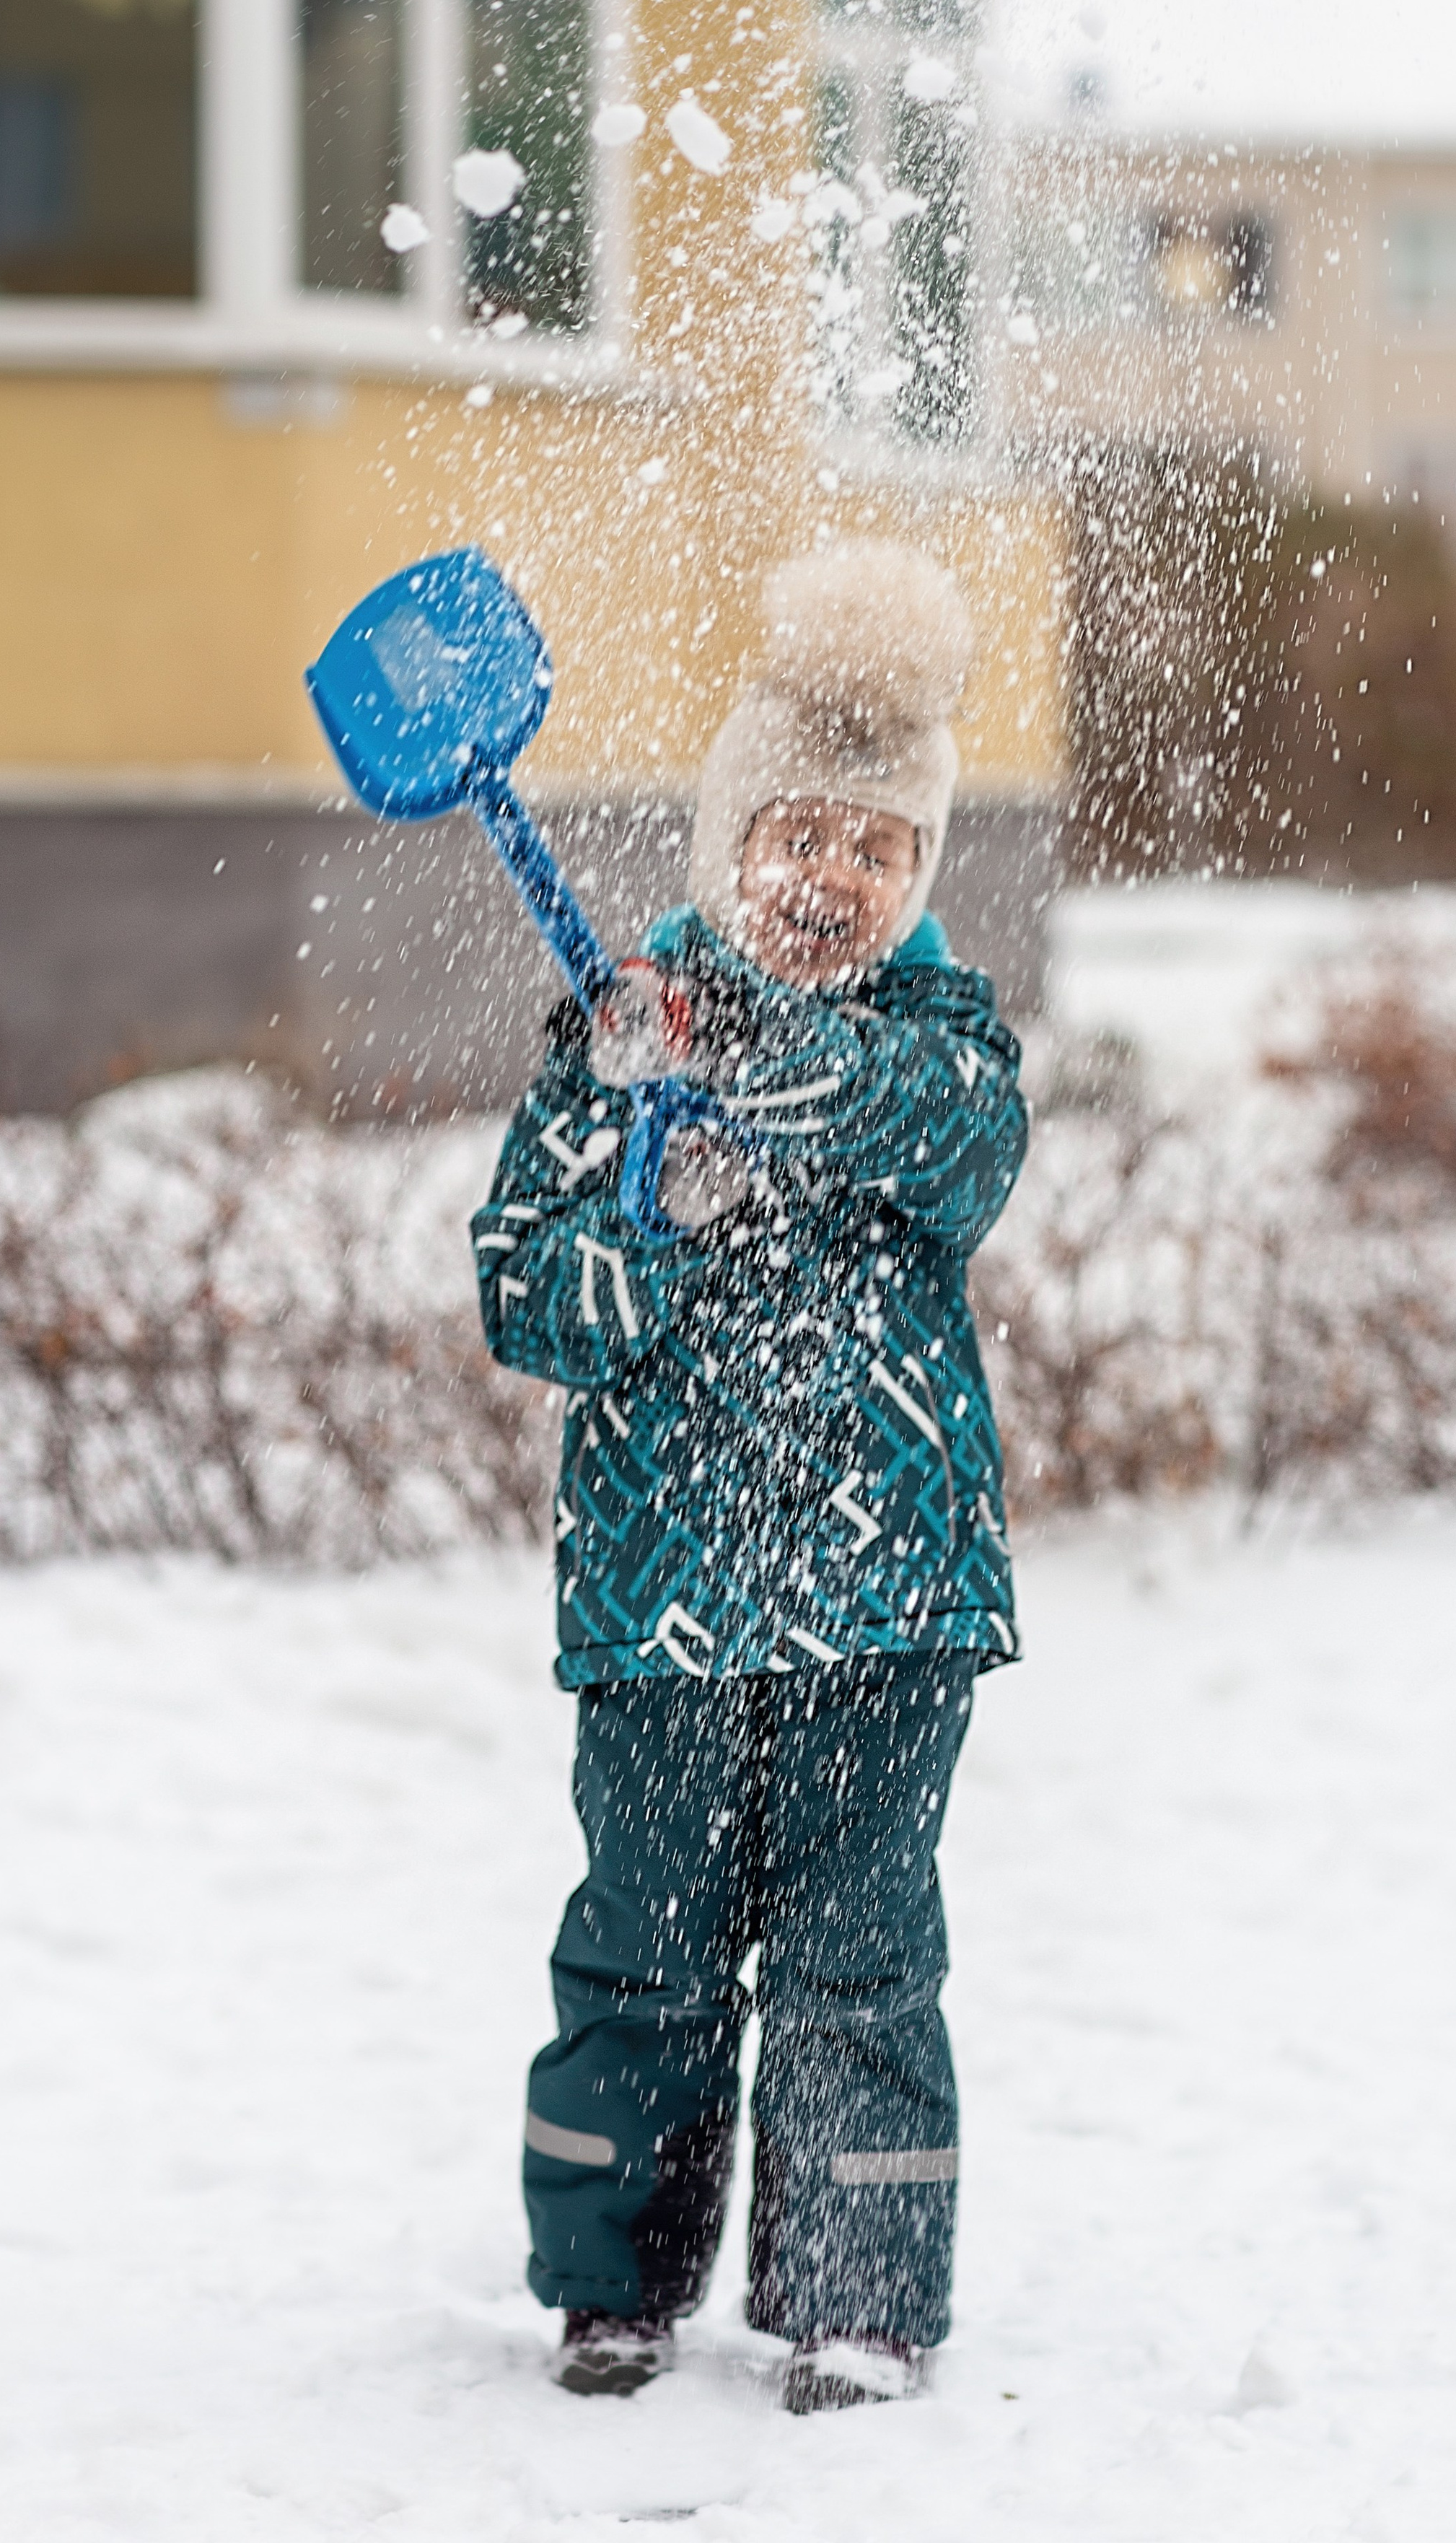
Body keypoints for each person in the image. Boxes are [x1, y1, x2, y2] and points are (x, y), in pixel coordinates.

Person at [472, 538, 1027, 2414]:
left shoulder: (937, 1040)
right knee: (645, 1952)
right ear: (728, 842)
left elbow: (951, 1153)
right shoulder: (617, 1039)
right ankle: (609, 2286)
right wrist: (652, 1213)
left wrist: (744, 1070)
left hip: (890, 1606)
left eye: (878, 853)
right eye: (800, 837)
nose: (832, 880)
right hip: (657, 1600)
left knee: (864, 1960)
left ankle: (858, 2300)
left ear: (918, 879)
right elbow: (526, 1293)